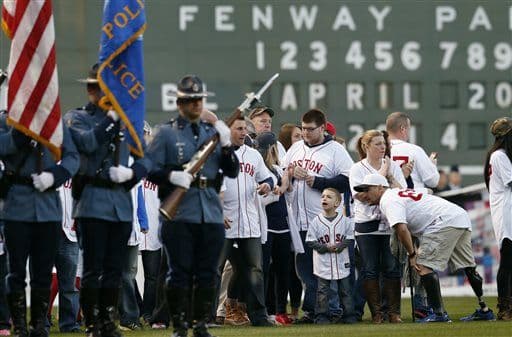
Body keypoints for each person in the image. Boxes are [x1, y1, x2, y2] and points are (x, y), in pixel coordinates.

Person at [146, 75, 238, 337]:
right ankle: (180, 325)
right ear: (179, 103)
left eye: (199, 100)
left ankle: (199, 324)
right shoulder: (165, 132)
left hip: (209, 212)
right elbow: (150, 170)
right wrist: (171, 175)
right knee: (179, 272)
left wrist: (227, 144)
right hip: (180, 213)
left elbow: (231, 171)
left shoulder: (213, 134)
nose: (195, 105)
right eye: (190, 100)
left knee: (208, 272)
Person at [66, 63, 151, 337]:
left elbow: (144, 159)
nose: (98, 92)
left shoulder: (127, 120)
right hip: (92, 200)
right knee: (93, 269)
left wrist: (130, 175)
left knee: (116, 269)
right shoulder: (77, 118)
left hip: (120, 203)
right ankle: (92, 323)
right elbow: (88, 143)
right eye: (95, 87)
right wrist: (111, 119)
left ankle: (108, 321)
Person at [354, 173, 496, 323]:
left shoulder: (388, 200)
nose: (364, 194)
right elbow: (428, 193)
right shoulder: (397, 193)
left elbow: (402, 229)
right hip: (459, 216)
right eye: (362, 190)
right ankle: (485, 310)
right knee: (469, 267)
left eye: (367, 189)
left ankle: (439, 315)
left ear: (380, 187)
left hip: (443, 221)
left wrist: (412, 254)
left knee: (422, 266)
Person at [0, 109, 79, 337]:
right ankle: (20, 327)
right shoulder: (6, 121)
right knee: (15, 273)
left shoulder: (54, 123)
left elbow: (73, 156)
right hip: (17, 206)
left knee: (43, 273)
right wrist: (22, 132)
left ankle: (38, 326)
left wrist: (56, 175)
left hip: (48, 208)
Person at [283, 109, 353, 323]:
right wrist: (289, 175)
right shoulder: (295, 148)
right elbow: (283, 173)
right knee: (305, 272)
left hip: (325, 221)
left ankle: (331, 310)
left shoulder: (335, 150)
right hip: (299, 220)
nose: (305, 133)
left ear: (322, 128)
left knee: (327, 270)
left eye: (310, 129)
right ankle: (314, 311)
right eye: (303, 128)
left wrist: (318, 182)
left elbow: (348, 181)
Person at [219, 118, 274, 327]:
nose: (244, 133)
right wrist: (216, 212)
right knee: (215, 269)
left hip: (249, 221)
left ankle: (258, 315)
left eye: (246, 129)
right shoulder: (216, 154)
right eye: (239, 128)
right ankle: (206, 317)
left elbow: (269, 178)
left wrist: (268, 185)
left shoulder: (252, 155)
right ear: (228, 130)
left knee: (254, 269)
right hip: (224, 221)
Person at [349, 130, 405, 324]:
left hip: (389, 222)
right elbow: (362, 196)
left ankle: (394, 312)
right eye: (378, 144)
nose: (383, 147)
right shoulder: (357, 169)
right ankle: (377, 313)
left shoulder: (393, 166)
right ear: (366, 147)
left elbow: (402, 193)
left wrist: (389, 177)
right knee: (370, 269)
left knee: (391, 267)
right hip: (366, 224)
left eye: (384, 143)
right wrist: (382, 176)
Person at [254, 132, 297, 325]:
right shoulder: (259, 171)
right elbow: (261, 199)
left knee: (283, 271)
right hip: (265, 227)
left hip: (282, 226)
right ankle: (262, 310)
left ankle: (280, 310)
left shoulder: (279, 170)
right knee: (262, 269)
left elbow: (287, 194)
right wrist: (279, 190)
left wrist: (286, 183)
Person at [306, 188, 356, 324]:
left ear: (337, 203)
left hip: (341, 261)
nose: (324, 199)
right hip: (323, 263)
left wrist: (340, 246)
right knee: (322, 293)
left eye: (329, 197)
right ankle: (322, 317)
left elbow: (350, 237)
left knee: (345, 292)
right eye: (323, 196)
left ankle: (349, 316)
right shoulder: (316, 221)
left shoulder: (345, 220)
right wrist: (324, 247)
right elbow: (310, 240)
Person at [484, 117, 512, 320]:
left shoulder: (503, 155)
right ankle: (504, 307)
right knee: (508, 260)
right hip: (506, 211)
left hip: (508, 209)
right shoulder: (499, 156)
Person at [47, 179, 81, 333]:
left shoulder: (76, 167)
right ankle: (41, 323)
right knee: (42, 282)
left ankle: (69, 325)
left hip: (69, 233)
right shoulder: (45, 164)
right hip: (46, 231)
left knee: (69, 284)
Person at [386, 112, 439, 189]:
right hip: (412, 198)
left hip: (388, 198)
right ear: (402, 129)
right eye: (409, 129)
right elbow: (433, 181)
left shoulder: (379, 150)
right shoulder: (414, 150)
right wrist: (432, 165)